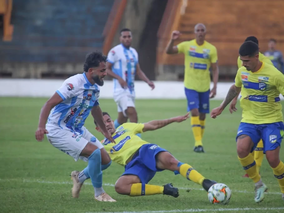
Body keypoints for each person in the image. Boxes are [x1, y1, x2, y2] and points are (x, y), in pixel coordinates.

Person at [210, 41, 284, 207]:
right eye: (242, 60)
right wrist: (221, 107)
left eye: (246, 61)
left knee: (273, 159)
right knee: (241, 149)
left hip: (272, 122)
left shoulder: (274, 74)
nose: (243, 64)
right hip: (250, 120)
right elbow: (235, 87)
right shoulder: (242, 71)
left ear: (256, 56)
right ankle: (259, 184)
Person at [35, 52, 116, 202]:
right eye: (102, 70)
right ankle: (100, 194)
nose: (105, 73)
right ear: (91, 70)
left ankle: (79, 178)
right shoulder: (74, 84)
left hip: (76, 128)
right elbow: (49, 104)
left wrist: (105, 131)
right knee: (95, 154)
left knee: (105, 160)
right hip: (58, 129)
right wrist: (41, 127)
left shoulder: (95, 87)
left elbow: (95, 108)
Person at [94, 112, 218, 198]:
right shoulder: (101, 146)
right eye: (102, 123)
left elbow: (153, 125)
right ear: (98, 129)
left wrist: (173, 120)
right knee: (120, 187)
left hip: (145, 151)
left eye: (109, 120)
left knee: (172, 162)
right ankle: (165, 189)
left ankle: (205, 182)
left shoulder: (125, 127)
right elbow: (92, 163)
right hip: (134, 166)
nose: (108, 124)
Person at [165, 23, 219, 153]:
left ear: (205, 33)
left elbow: (215, 68)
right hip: (190, 86)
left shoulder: (211, 49)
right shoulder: (187, 46)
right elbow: (169, 51)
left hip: (204, 87)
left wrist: (215, 86)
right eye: (198, 30)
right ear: (195, 33)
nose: (200, 32)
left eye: (202, 30)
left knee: (202, 116)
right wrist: (172, 39)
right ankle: (198, 143)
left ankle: (199, 141)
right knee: (194, 111)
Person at [232, 36, 273, 178]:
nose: (244, 62)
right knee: (244, 141)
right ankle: (252, 168)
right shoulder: (241, 59)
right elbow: (241, 80)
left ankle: (257, 168)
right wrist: (234, 98)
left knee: (260, 137)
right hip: (248, 104)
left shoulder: (267, 63)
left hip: (263, 108)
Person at [106, 28, 155, 137]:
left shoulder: (133, 52)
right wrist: (119, 78)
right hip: (120, 90)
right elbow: (106, 68)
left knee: (122, 119)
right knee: (133, 114)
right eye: (124, 37)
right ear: (120, 38)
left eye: (129, 36)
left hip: (131, 91)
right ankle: (138, 144)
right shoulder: (115, 51)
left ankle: (108, 136)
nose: (127, 39)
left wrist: (148, 81)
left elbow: (138, 70)